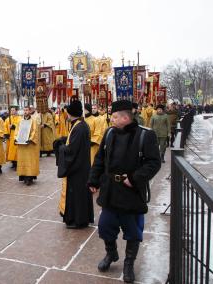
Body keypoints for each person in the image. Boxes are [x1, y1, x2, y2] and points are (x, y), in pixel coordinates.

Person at [88, 100, 161, 283]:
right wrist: (93, 179)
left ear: (126, 117)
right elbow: (100, 158)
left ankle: (129, 264)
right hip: (110, 191)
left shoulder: (146, 135)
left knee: (133, 231)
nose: (111, 119)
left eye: (114, 117)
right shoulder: (110, 132)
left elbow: (154, 163)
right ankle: (111, 254)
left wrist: (134, 178)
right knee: (105, 226)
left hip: (132, 192)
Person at [56, 100, 94, 229]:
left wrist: (60, 147)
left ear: (70, 113)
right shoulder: (80, 124)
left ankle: (78, 220)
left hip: (77, 168)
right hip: (81, 166)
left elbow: (72, 150)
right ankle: (81, 218)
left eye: (67, 113)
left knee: (77, 195)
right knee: (80, 194)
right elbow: (73, 143)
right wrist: (63, 140)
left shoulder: (79, 127)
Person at [15, 106, 40, 186]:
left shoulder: (34, 120)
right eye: (24, 110)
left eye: (27, 110)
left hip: (30, 145)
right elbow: (17, 130)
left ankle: (29, 178)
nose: (25, 112)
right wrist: (16, 138)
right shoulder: (20, 120)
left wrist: (30, 139)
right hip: (22, 145)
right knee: (23, 161)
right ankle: (24, 177)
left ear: (30, 111)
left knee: (30, 161)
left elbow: (34, 131)